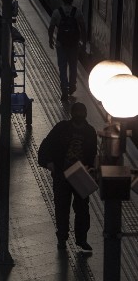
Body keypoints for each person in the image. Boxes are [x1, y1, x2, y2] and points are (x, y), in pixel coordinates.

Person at [38, 102, 97, 251]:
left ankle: (76, 238)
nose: (79, 116)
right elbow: (47, 145)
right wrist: (48, 162)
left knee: (79, 208)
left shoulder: (88, 131)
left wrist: (91, 168)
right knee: (66, 207)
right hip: (63, 173)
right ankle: (67, 237)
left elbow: (92, 154)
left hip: (79, 174)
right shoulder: (64, 128)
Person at [48, 0, 85, 101]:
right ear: (72, 0)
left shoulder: (57, 12)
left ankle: (64, 89)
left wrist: (50, 40)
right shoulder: (77, 12)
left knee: (62, 68)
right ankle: (72, 86)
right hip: (74, 45)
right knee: (73, 67)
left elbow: (51, 28)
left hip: (61, 45)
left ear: (62, 0)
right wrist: (83, 42)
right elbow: (83, 28)